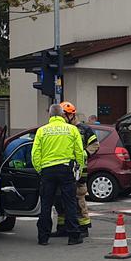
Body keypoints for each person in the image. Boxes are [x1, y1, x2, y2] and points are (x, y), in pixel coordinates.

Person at [31, 104, 84, 245]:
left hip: (47, 171)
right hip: (66, 170)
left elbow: (35, 153)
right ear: (62, 115)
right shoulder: (72, 130)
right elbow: (79, 151)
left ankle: (43, 237)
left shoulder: (42, 131)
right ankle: (73, 236)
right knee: (70, 203)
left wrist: (40, 170)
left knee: (46, 205)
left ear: (49, 115)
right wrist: (80, 169)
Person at [54, 102, 99, 238]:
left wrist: (82, 154)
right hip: (64, 170)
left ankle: (83, 227)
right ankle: (62, 227)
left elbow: (95, 145)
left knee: (79, 199)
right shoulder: (63, 129)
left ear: (71, 115)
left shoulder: (84, 129)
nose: (62, 117)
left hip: (79, 171)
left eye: (64, 115)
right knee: (60, 200)